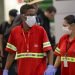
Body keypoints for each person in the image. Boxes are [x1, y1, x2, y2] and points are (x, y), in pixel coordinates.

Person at [3, 4, 54, 75]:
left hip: (39, 72)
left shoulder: (40, 30)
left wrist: (50, 66)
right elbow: (11, 53)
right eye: (30, 15)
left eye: (34, 15)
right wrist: (6, 69)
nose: (33, 17)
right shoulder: (15, 32)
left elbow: (49, 51)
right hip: (22, 72)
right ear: (22, 16)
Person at [0, 9, 18, 75]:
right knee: (6, 68)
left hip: (14, 50)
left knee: (14, 69)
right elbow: (1, 38)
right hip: (5, 50)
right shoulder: (4, 24)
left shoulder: (16, 24)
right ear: (10, 16)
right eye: (14, 17)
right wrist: (1, 51)